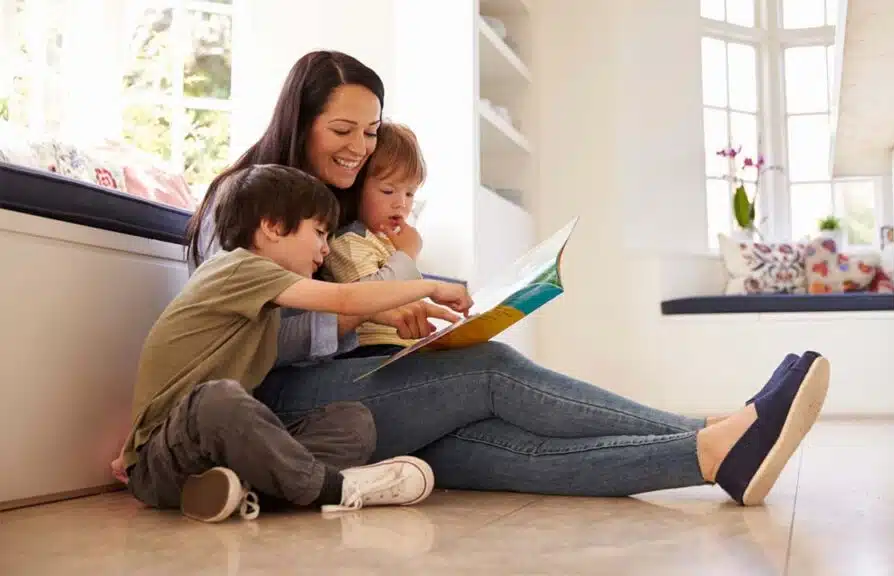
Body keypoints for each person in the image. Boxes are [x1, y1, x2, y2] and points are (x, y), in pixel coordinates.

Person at [185, 50, 831, 507]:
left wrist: (405, 314)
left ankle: (711, 453)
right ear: (299, 122)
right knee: (491, 370)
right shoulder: (244, 202)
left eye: (371, 131)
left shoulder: (336, 209)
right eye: (342, 130)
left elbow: (352, 305)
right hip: (270, 408)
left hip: (342, 397)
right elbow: (256, 344)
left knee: (499, 449)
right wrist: (372, 308)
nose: (359, 146)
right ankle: (714, 428)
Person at [115, 164, 474, 523]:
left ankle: (242, 490)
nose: (325, 249)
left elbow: (333, 315)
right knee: (217, 399)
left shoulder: (260, 304)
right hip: (163, 461)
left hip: (220, 459)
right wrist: (430, 286)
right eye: (319, 233)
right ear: (272, 226)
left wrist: (384, 313)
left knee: (352, 421)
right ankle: (336, 489)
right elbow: (345, 299)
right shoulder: (238, 268)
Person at [321, 121, 427, 358]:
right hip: (367, 351)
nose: (401, 203)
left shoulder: (387, 243)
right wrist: (407, 254)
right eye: (388, 191)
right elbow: (368, 296)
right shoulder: (349, 240)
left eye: (410, 193)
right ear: (356, 189)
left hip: (398, 346)